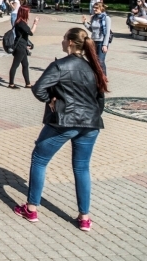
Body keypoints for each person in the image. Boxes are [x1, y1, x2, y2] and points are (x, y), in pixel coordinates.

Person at [15, 27, 108, 232]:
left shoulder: (59, 65)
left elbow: (38, 89)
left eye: (64, 37)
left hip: (64, 122)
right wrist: (92, 115)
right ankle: (85, 217)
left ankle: (31, 209)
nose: (62, 40)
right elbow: (100, 99)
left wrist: (51, 101)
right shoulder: (94, 65)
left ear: (71, 43)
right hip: (91, 123)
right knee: (82, 167)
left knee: (39, 159)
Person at [8, 6, 39, 89]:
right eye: (28, 12)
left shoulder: (20, 22)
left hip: (22, 46)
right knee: (15, 65)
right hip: (20, 47)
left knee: (25, 64)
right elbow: (31, 32)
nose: (29, 13)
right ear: (24, 13)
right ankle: (11, 84)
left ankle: (28, 84)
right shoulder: (21, 23)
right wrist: (35, 23)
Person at [82, 3, 111, 75]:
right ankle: (96, 75)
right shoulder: (93, 17)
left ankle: (104, 77)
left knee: (100, 61)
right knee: (94, 60)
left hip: (101, 42)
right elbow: (92, 29)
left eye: (96, 8)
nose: (94, 9)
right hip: (93, 41)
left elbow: (107, 33)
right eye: (94, 8)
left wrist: (105, 44)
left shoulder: (106, 18)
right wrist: (84, 23)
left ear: (101, 8)